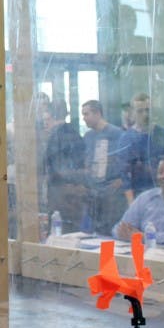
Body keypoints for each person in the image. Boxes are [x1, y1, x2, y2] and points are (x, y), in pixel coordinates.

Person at [116, 92, 164, 199]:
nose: (145, 115)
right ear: (133, 113)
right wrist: (132, 204)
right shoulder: (126, 139)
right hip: (139, 195)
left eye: (148, 110)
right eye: (140, 111)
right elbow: (125, 176)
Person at [80, 100, 125, 235]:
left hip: (112, 192)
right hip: (93, 192)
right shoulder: (88, 136)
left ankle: (109, 256)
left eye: (86, 114)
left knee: (109, 230)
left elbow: (128, 160)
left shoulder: (117, 134)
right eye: (83, 115)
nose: (84, 118)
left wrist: (121, 180)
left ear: (98, 113)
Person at [43, 99, 85, 233]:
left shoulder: (57, 135)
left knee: (61, 230)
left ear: (51, 114)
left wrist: (67, 186)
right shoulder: (75, 133)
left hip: (61, 191)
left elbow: (58, 168)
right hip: (73, 190)